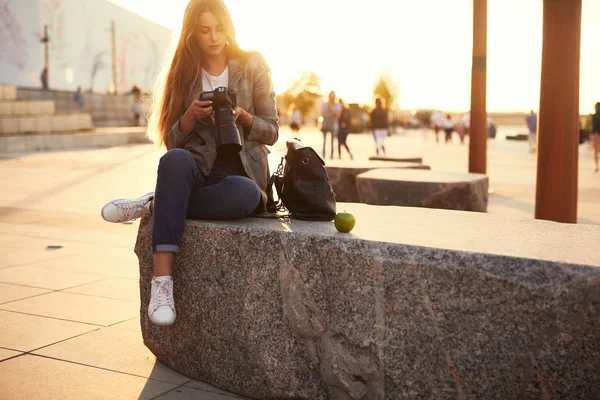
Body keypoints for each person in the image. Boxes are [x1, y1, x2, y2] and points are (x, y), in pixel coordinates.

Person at [100, 0, 278, 326]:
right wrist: (190, 117)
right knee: (174, 160)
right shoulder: (184, 72)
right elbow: (171, 141)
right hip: (196, 168)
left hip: (240, 173)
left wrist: (243, 117)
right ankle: (162, 284)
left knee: (247, 195)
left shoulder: (252, 64)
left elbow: (272, 131)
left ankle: (156, 203)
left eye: (219, 28)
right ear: (192, 34)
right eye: (205, 30)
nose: (214, 37)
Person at [320, 91, 341, 159]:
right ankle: (323, 155)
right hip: (325, 122)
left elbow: (338, 116)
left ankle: (332, 155)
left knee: (332, 140)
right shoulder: (325, 104)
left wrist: (331, 109)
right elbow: (321, 113)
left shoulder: (337, 105)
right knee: (324, 140)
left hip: (332, 123)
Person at [592, 102, 600, 172]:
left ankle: (597, 166)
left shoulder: (594, 116)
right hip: (597, 133)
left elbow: (593, 126)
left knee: (596, 151)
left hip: (596, 134)